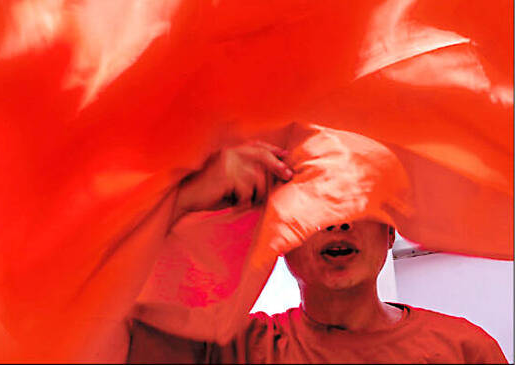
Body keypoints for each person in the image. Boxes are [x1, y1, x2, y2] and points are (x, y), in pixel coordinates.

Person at [82, 140, 508, 364]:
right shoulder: (234, 350)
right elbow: (82, 314)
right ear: (281, 241)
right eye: (316, 209)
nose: (339, 223)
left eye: (356, 205)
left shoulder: (463, 350)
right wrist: (185, 198)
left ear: (389, 233)